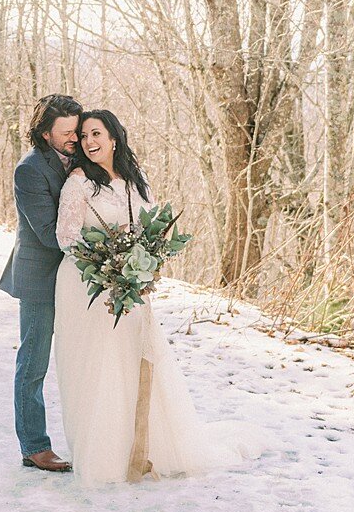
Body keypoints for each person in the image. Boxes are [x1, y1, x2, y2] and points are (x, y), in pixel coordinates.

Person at [53, 109, 264, 484]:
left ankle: (141, 450)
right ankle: (103, 459)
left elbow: (148, 227)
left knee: (134, 362)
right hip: (87, 284)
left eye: (96, 134)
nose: (89, 143)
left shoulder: (137, 180)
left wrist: (141, 262)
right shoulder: (79, 182)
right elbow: (67, 237)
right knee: (99, 366)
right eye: (84, 137)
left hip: (131, 284)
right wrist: (108, 263)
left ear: (115, 138)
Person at [0, 94, 83, 472]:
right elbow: (50, 234)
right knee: (33, 364)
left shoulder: (81, 160)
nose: (74, 139)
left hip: (77, 278)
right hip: (40, 279)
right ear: (45, 133)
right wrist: (105, 244)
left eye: (77, 131)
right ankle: (34, 446)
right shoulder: (29, 170)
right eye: (66, 132)